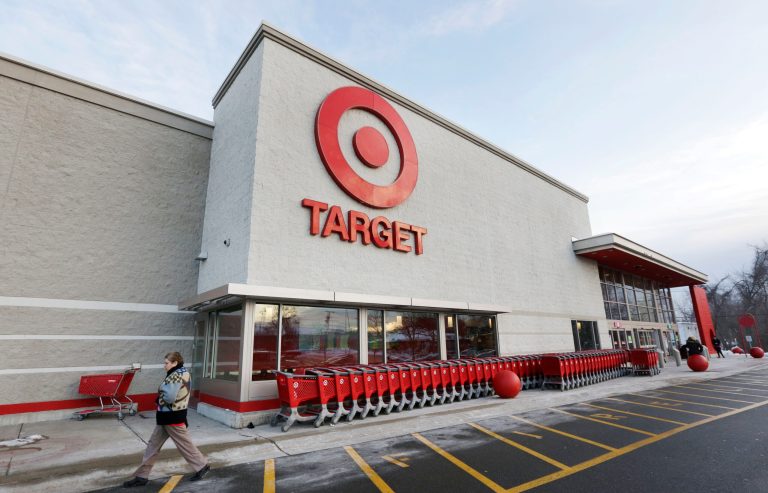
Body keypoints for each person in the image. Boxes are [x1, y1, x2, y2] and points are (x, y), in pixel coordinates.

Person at [123, 352, 210, 487]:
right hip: (169, 417)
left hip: (171, 417)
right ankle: (142, 476)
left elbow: (169, 397)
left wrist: (159, 397)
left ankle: (202, 466)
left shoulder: (176, 375)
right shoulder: (182, 372)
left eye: (166, 363)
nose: (164, 366)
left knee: (184, 446)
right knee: (152, 446)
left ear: (175, 363)